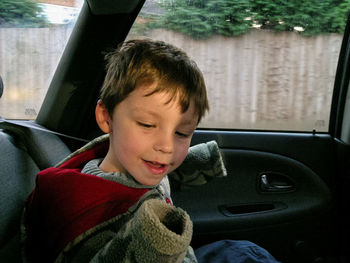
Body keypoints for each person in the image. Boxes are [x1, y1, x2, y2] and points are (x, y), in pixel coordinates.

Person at [22, 39, 279, 263]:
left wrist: (199, 163)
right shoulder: (88, 214)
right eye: (147, 125)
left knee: (245, 252)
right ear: (106, 117)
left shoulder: (135, 163)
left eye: (181, 133)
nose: (167, 147)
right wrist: (156, 248)